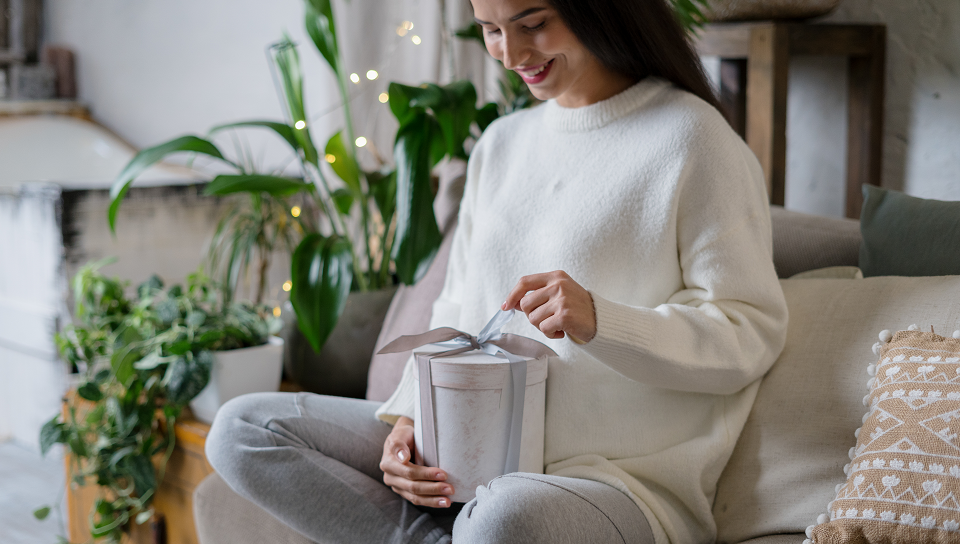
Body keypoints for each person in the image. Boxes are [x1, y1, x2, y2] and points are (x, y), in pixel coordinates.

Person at [204, 0, 789, 542]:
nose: (510, 54)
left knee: (500, 518)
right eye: (490, 29)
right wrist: (412, 419)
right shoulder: (501, 144)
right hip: (466, 460)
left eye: (532, 24)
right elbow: (456, 304)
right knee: (242, 430)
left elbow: (750, 332)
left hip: (611, 484)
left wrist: (600, 320)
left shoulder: (693, 137)